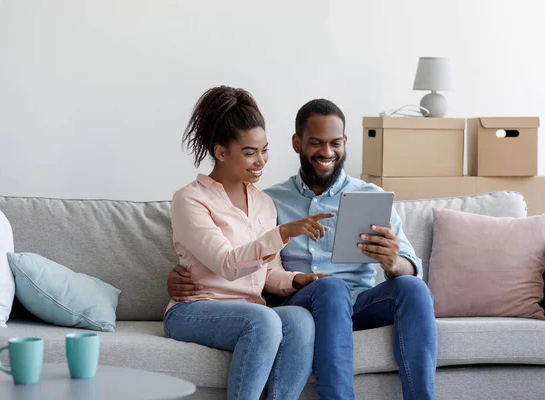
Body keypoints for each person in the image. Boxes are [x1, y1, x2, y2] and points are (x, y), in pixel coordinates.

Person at [168, 99, 438, 400]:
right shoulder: (272, 199)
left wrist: (393, 262)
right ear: (297, 143)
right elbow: (228, 258)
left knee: (413, 289)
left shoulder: (368, 197)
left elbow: (413, 266)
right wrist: (184, 272)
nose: (327, 152)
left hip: (357, 302)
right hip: (304, 301)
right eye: (316, 143)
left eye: (335, 143)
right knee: (329, 289)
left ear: (345, 142)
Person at [165, 86, 337, 400]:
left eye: (264, 150)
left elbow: (268, 274)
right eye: (250, 152)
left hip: (250, 310)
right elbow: (227, 264)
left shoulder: (264, 204)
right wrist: (284, 233)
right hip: (195, 309)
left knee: (299, 319)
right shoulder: (190, 200)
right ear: (220, 152)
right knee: (263, 321)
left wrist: (299, 280)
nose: (261, 161)